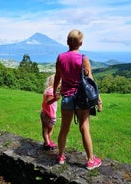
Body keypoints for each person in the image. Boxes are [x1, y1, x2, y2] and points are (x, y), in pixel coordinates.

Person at [53, 29, 102, 170]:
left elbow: (57, 76)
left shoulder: (60, 57)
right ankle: (91, 161)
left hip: (67, 98)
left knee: (64, 129)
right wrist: (98, 98)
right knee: (84, 128)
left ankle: (61, 156)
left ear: (67, 42)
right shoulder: (83, 58)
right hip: (82, 98)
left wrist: (56, 90)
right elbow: (90, 80)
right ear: (81, 43)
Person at [40, 74, 60, 150]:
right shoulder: (51, 90)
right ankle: (47, 143)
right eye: (59, 82)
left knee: (48, 129)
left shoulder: (49, 90)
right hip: (47, 114)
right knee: (46, 129)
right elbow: (48, 102)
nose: (60, 83)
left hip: (48, 113)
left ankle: (48, 141)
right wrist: (55, 99)